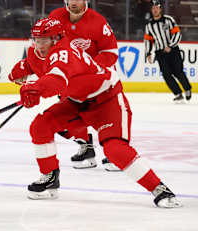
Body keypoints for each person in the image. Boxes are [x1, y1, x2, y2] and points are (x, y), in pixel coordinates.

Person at [14, 17, 181, 208]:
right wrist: (19, 75)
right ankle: (50, 177)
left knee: (115, 149)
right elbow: (34, 65)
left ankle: (159, 188)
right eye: (36, 39)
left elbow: (56, 79)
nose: (39, 44)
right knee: (40, 125)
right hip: (77, 102)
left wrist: (36, 89)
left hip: (106, 100)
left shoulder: (64, 51)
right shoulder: (39, 52)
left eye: (44, 40)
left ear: (57, 38)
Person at [48, 0, 119, 171]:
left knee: (102, 116)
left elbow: (111, 52)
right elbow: (47, 45)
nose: (74, 3)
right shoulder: (55, 17)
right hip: (67, 81)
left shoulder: (98, 22)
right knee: (66, 118)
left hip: (94, 81)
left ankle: (115, 152)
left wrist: (91, 69)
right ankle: (85, 147)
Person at [144, 0, 192, 103]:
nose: (155, 10)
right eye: (153, 8)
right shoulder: (149, 25)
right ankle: (178, 94)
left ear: (160, 9)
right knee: (166, 74)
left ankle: (187, 88)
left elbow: (177, 34)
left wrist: (170, 45)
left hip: (173, 50)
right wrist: (148, 53)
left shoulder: (168, 20)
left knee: (178, 71)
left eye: (157, 7)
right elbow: (148, 40)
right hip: (160, 53)